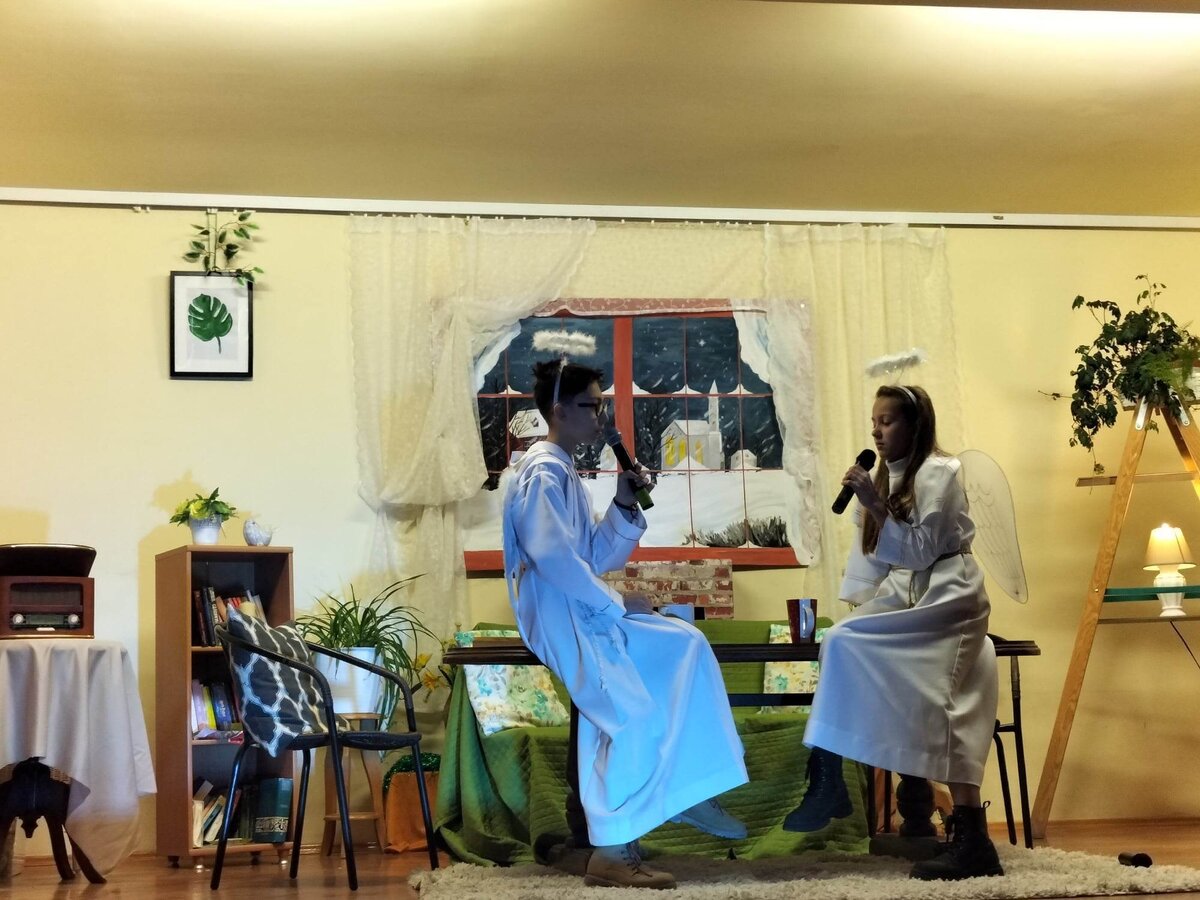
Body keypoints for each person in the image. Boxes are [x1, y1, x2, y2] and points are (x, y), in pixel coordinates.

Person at [502, 359, 748, 890]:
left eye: (601, 405)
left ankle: (688, 785)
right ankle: (613, 851)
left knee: (685, 643)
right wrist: (615, 603)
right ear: (558, 410)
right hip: (562, 613)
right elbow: (553, 558)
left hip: (582, 605)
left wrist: (623, 499)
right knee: (628, 714)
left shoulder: (563, 469)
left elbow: (593, 554)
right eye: (590, 406)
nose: (600, 416)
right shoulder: (542, 471)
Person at [782, 384, 1003, 881]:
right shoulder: (885, 476)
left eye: (888, 421)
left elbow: (923, 550)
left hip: (948, 595)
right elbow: (873, 560)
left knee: (940, 702)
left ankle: (971, 841)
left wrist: (876, 503)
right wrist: (862, 605)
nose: (877, 433)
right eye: (874, 423)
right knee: (840, 640)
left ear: (915, 425)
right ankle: (829, 777)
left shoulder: (941, 471)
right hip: (906, 592)